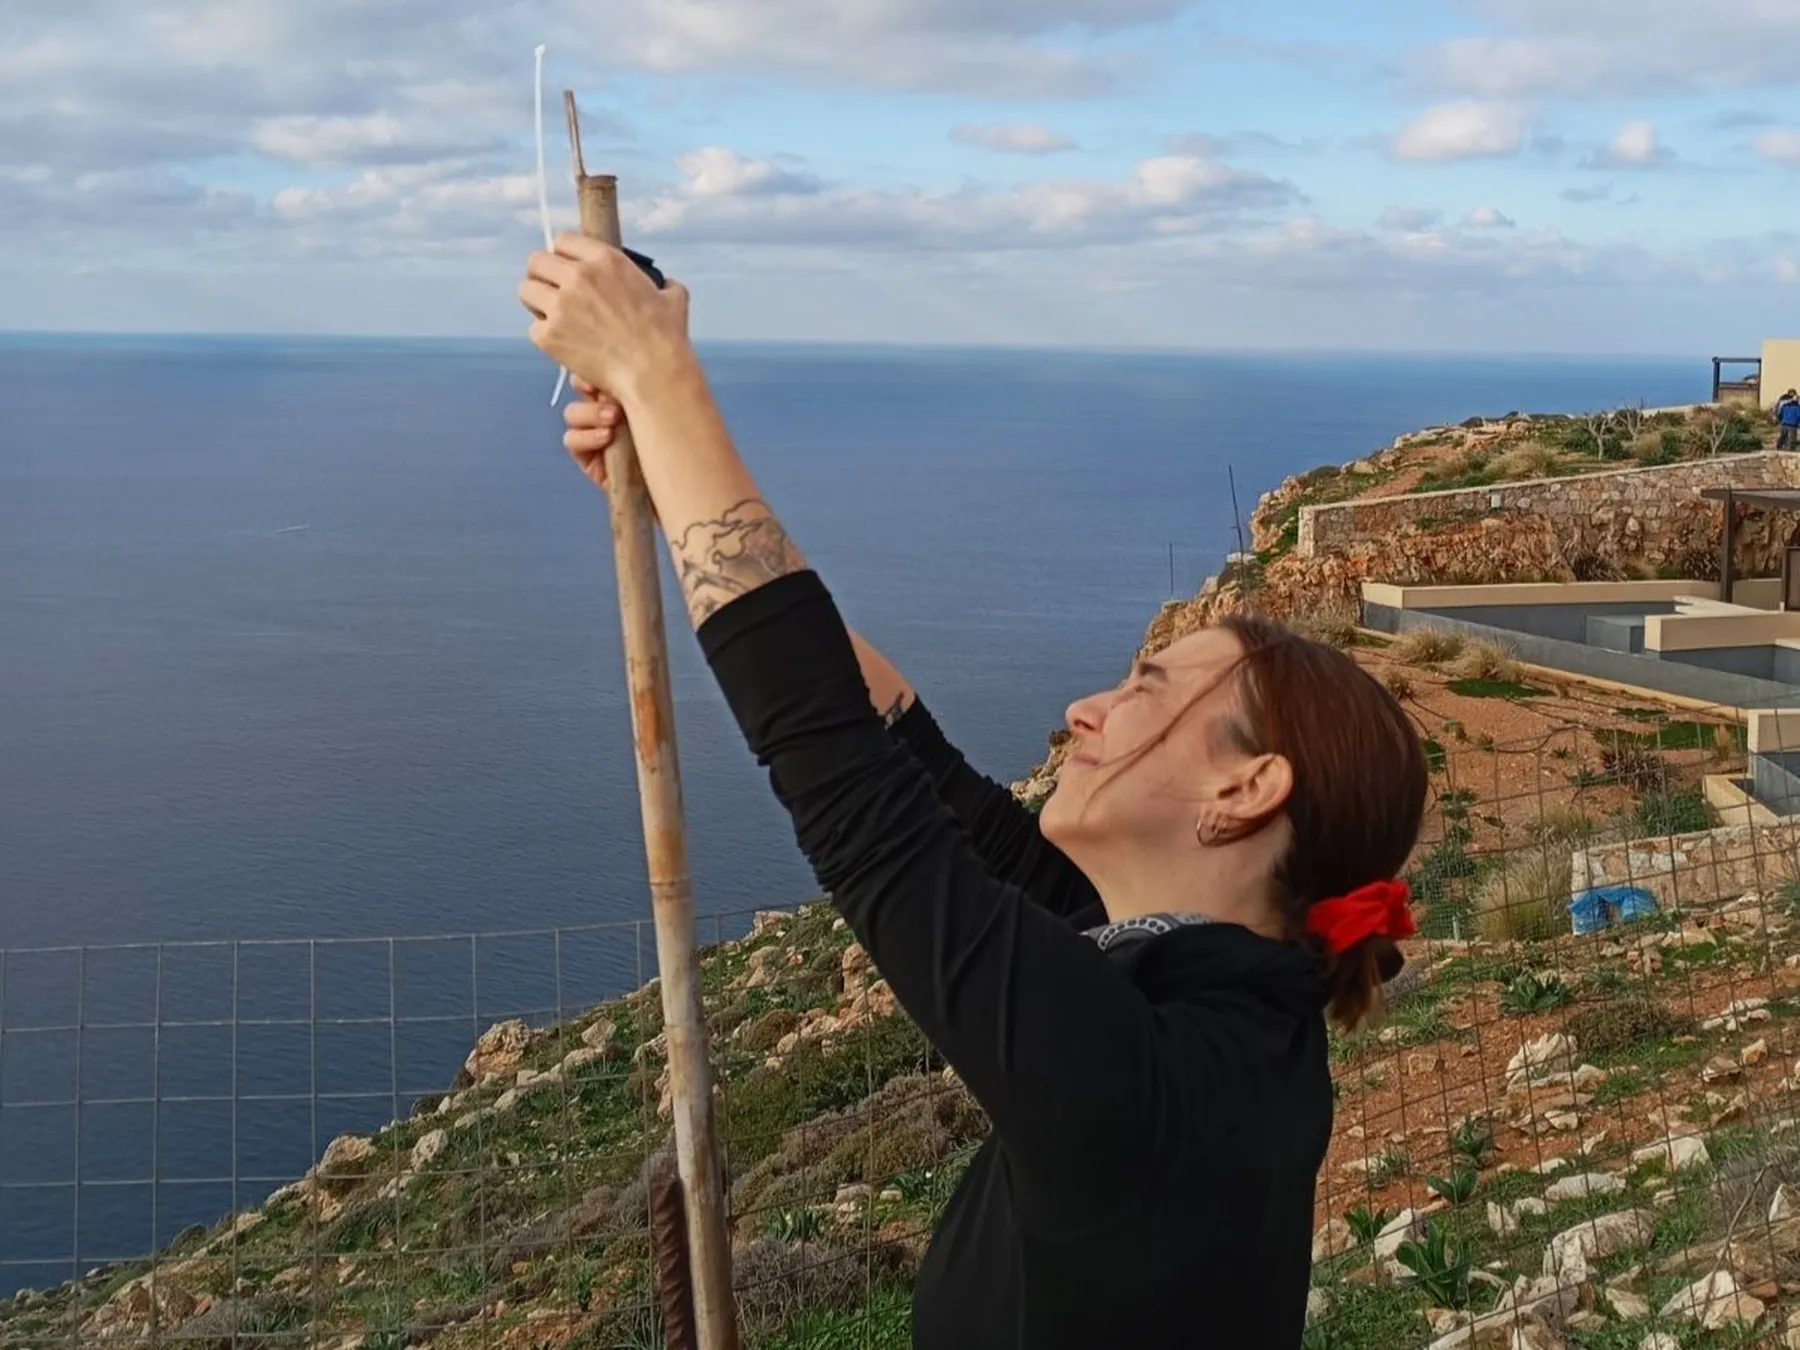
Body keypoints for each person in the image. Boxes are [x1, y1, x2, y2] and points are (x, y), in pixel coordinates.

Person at [518, 236, 1429, 1350]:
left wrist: (661, 376)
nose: (1086, 709)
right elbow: (903, 751)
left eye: (1146, 688)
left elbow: (848, 784)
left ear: (1246, 790)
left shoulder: (1151, 1084)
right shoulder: (1197, 982)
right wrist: (669, 474)